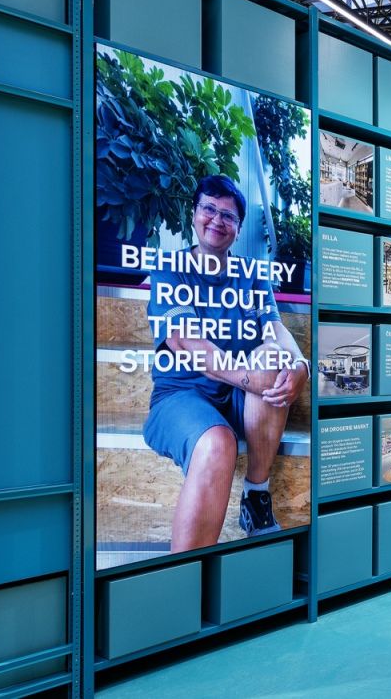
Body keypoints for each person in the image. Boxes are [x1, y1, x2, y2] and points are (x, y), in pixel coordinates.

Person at [144, 174, 309, 552]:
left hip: (239, 399)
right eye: (209, 209)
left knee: (273, 355)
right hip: (181, 397)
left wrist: (301, 365)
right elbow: (185, 342)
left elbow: (275, 329)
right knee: (218, 444)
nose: (217, 220)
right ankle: (185, 575)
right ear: (194, 214)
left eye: (228, 216)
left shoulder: (251, 274)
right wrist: (253, 378)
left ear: (238, 228)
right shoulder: (170, 268)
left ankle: (256, 494)